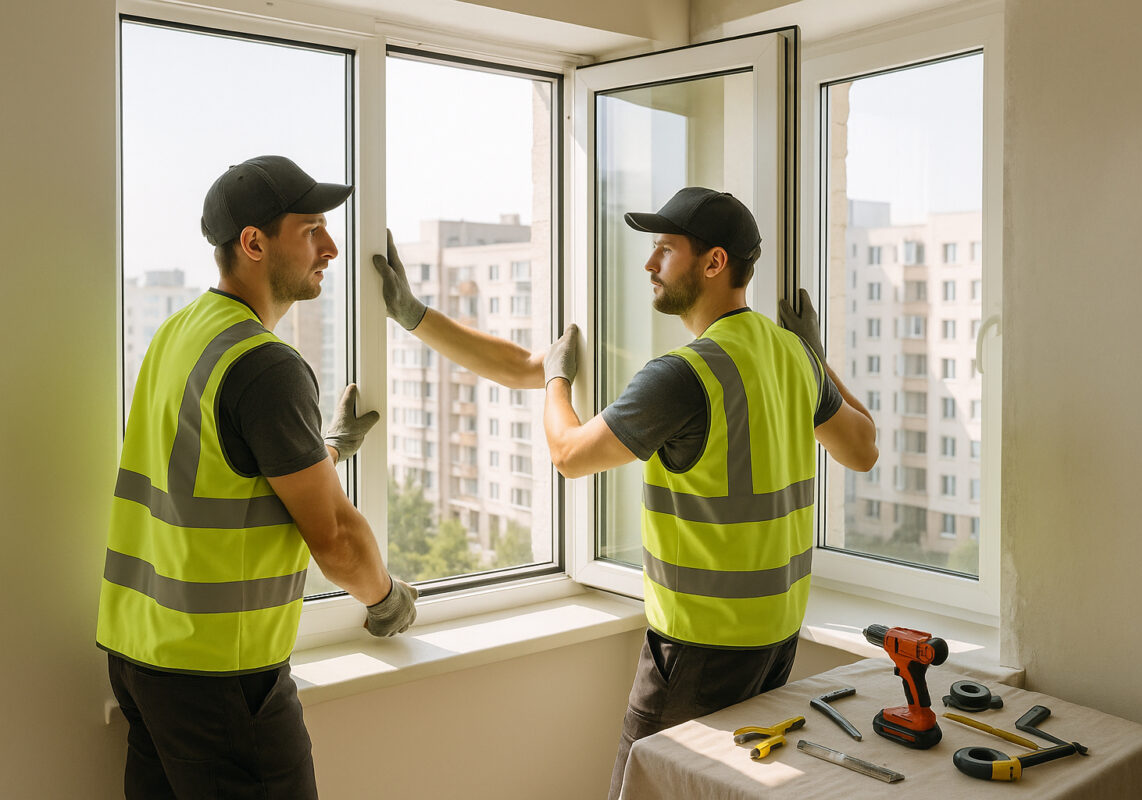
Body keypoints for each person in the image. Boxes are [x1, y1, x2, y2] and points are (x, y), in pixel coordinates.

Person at [373, 186, 877, 799]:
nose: (647, 265)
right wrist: (818, 357)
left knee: (646, 791)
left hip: (700, 649)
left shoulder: (686, 374)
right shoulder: (791, 356)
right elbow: (863, 448)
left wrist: (557, 378)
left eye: (664, 249)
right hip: (774, 638)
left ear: (714, 263)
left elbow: (568, 455)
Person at [98, 155, 418, 800]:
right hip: (221, 680)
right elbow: (336, 539)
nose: (330, 247)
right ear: (253, 242)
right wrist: (386, 599)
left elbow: (224, 466)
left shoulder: (177, 333)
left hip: (141, 659)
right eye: (310, 230)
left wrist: (324, 449)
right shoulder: (265, 364)